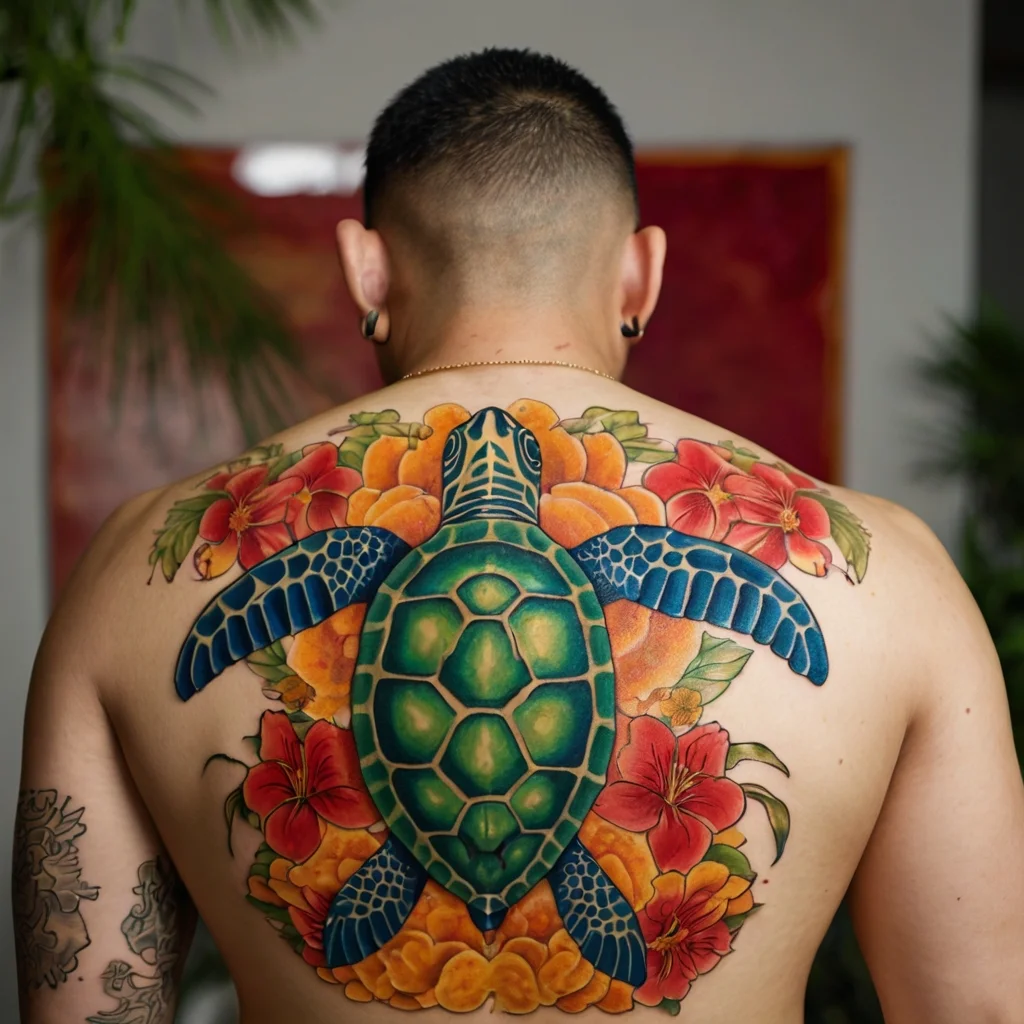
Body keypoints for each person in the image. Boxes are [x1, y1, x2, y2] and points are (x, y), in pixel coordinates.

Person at [14, 48, 1024, 1024]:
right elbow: (975, 1007)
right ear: (640, 275)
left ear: (366, 270)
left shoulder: (140, 567)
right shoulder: (887, 574)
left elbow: (86, 1004)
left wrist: (218, 632)